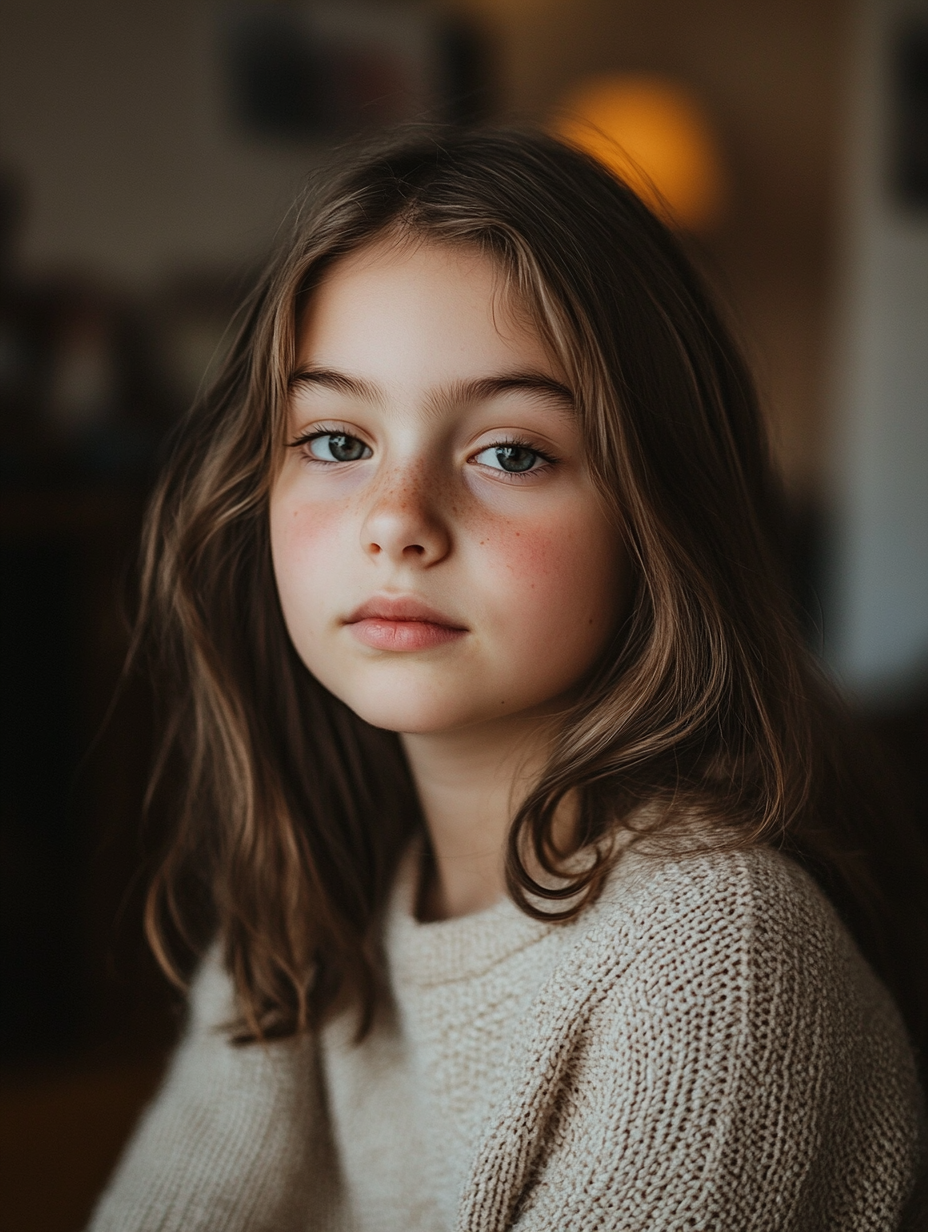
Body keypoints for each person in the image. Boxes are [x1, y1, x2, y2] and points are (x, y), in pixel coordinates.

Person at [89, 128, 927, 1231]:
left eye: (511, 451)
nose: (396, 520)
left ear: (658, 517)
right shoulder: (313, 890)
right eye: (337, 440)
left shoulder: (713, 952)